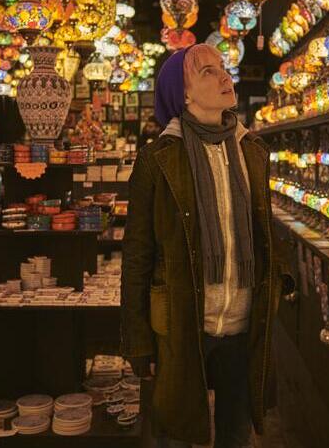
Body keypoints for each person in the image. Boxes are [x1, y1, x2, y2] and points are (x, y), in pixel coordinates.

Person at [121, 44, 294, 447]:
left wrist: (279, 280)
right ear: (182, 95)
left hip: (244, 323)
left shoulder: (252, 150)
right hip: (184, 323)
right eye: (207, 72)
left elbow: (263, 227)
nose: (224, 77)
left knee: (236, 433)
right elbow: (137, 255)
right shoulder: (157, 160)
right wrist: (138, 340)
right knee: (177, 430)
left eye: (223, 68)